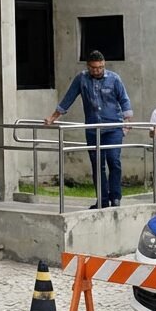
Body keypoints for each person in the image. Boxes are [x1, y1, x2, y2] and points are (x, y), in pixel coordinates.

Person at [46, 51, 133, 209]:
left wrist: (127, 123)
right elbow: (68, 98)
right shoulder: (82, 79)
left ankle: (116, 197)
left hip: (113, 127)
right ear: (88, 66)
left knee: (114, 161)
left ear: (104, 64)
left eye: (100, 67)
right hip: (93, 129)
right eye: (93, 68)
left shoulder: (114, 79)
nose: (97, 71)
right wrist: (54, 116)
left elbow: (124, 100)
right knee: (97, 164)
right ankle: (102, 199)